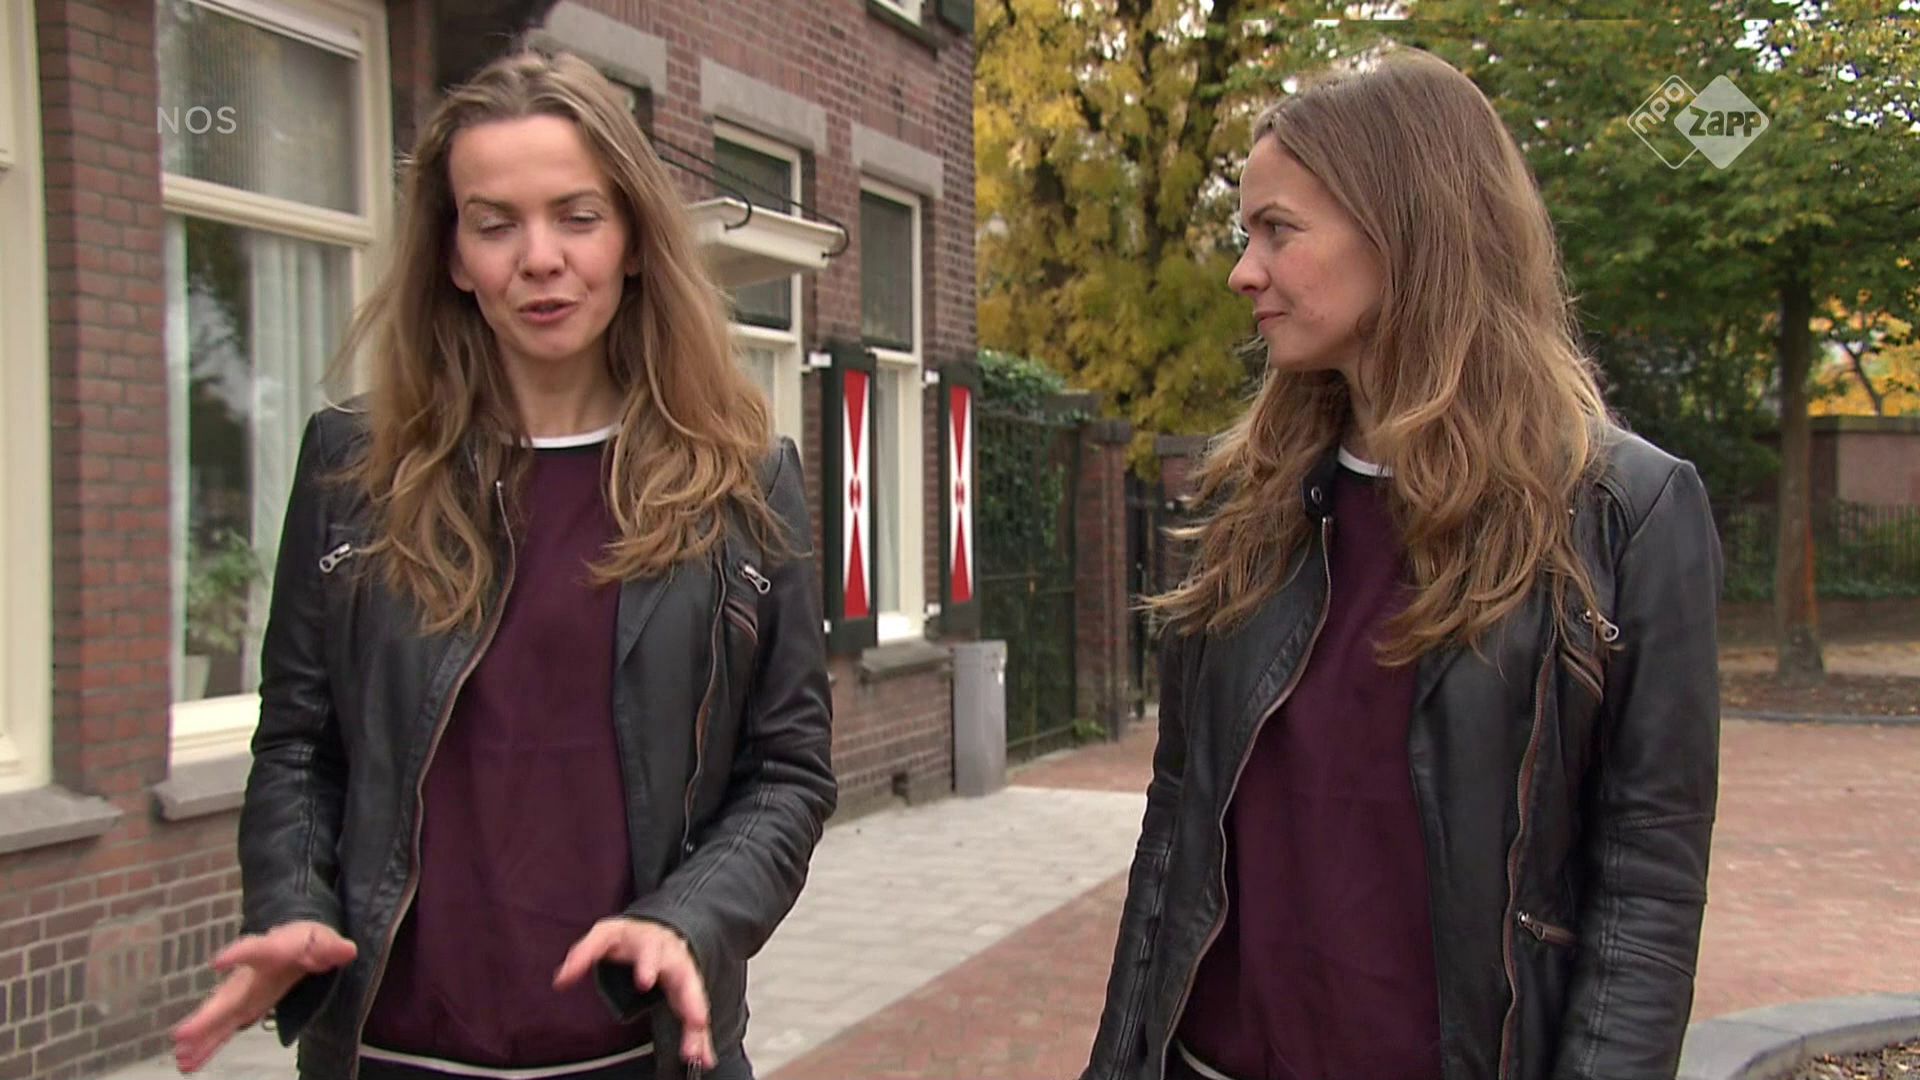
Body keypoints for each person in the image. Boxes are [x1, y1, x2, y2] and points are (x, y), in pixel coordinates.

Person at [172, 51, 835, 1080]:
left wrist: (691, 918)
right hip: (394, 1054)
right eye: (494, 224)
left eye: (578, 217)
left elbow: (786, 773)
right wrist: (293, 900)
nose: (540, 258)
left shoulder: (743, 481)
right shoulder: (354, 469)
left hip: (637, 1056)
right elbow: (301, 744)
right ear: (452, 255)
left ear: (633, 240)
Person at [1083, 47, 1722, 1080]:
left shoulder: (1621, 514)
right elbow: (1174, 830)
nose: (1245, 271)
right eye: (1246, 234)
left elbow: (1645, 890)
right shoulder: (1250, 506)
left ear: (1405, 229)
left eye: (1278, 230)